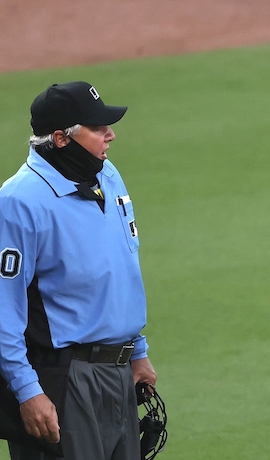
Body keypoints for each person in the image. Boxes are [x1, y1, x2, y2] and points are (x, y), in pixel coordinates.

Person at [0, 81, 157, 460]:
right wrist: (28, 391)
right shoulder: (19, 202)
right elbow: (3, 308)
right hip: (63, 381)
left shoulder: (107, 175)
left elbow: (118, 272)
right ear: (61, 138)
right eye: (98, 128)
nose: (111, 135)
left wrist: (136, 351)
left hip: (117, 374)